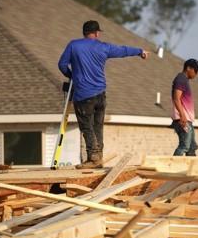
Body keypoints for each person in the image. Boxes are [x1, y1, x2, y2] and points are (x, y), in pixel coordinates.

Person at [58, 20, 149, 168]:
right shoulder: (103, 47)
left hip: (83, 95)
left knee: (87, 126)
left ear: (84, 32)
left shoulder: (74, 45)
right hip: (100, 94)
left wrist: (72, 75)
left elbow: (62, 64)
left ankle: (93, 158)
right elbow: (123, 50)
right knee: (98, 125)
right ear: (96, 33)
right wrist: (140, 51)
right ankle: (97, 156)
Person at [171, 58, 198, 156]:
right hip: (183, 120)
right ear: (188, 68)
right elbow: (176, 98)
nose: (196, 73)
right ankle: (172, 167)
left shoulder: (184, 80)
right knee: (184, 146)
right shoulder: (181, 79)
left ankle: (191, 170)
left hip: (187, 120)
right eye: (195, 70)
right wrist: (182, 115)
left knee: (192, 147)